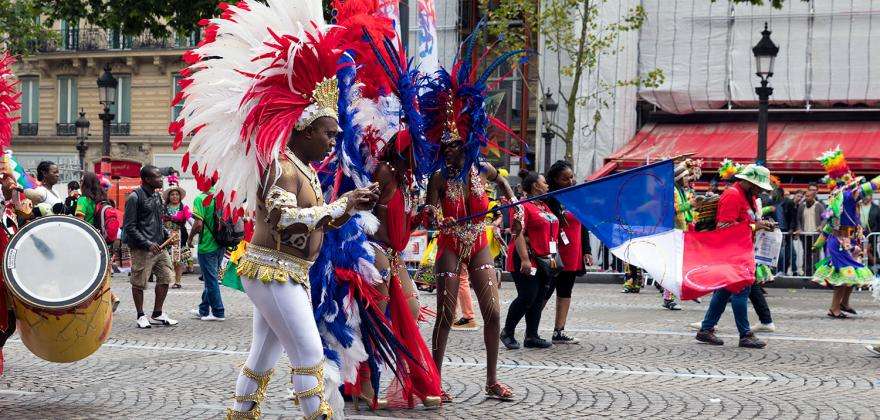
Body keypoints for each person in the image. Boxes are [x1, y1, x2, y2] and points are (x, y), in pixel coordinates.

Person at [170, 2, 380, 417]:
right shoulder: (282, 167)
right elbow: (284, 218)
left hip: (285, 272)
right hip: (274, 271)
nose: (332, 141)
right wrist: (342, 203)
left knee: (262, 358)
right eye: (327, 132)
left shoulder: (302, 166)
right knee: (308, 354)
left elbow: (314, 221)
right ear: (304, 128)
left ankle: (241, 413)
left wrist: (349, 207)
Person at [419, 27, 524, 401]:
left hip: (479, 240)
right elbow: (429, 206)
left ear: (467, 144)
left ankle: (492, 380)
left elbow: (507, 186)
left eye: (454, 146)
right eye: (444, 146)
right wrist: (435, 216)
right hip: (450, 242)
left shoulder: (481, 170)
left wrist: (513, 211)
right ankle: (435, 378)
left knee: (493, 312)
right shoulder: (436, 176)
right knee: (446, 314)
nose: (448, 151)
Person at [695, 164, 775, 349]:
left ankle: (706, 330)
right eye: (760, 186)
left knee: (723, 291)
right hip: (732, 251)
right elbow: (724, 227)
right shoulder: (733, 195)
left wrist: (761, 224)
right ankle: (745, 334)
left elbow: (746, 222)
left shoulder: (750, 197)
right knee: (741, 289)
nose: (762, 190)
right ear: (749, 182)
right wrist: (756, 226)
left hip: (742, 248)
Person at [812, 148, 878, 318]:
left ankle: (844, 303)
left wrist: (819, 242)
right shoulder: (848, 195)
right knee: (844, 275)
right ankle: (834, 308)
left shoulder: (837, 198)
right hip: (841, 242)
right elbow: (872, 186)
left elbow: (828, 226)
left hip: (848, 241)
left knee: (852, 274)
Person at [500, 170, 559, 350]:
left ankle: (532, 335)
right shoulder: (522, 206)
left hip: (544, 259)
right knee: (527, 296)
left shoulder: (543, 205)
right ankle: (507, 332)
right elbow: (517, 233)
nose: (547, 185)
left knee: (539, 297)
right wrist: (525, 259)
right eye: (544, 182)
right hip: (526, 258)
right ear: (535, 185)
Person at [122, 165, 178, 329]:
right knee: (139, 282)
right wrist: (147, 243)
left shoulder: (157, 196)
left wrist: (167, 234)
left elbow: (158, 221)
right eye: (157, 177)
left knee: (166, 277)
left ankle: (158, 313)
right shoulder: (134, 197)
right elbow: (129, 227)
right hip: (142, 248)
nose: (161, 179)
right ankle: (140, 315)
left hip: (159, 246)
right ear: (147, 179)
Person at [544, 160, 590, 344]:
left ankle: (559, 331)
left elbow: (583, 224)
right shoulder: (548, 198)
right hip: (554, 251)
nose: (570, 181)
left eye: (571, 177)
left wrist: (586, 250)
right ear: (555, 179)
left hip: (573, 252)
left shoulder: (577, 196)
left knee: (565, 291)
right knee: (545, 292)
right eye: (565, 179)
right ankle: (532, 330)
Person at [186, 186, 227, 321]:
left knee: (211, 280)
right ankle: (203, 310)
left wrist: (190, 238)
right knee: (211, 278)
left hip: (207, 246)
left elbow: (198, 224)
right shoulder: (221, 196)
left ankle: (218, 312)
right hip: (221, 243)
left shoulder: (201, 198)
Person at [162, 184, 191, 289]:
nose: (174, 196)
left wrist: (197, 231)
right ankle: (166, 279)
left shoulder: (184, 208)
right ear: (169, 197)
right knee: (166, 260)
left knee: (178, 260)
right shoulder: (163, 208)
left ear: (180, 196)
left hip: (179, 237)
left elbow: (190, 220)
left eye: (176, 194)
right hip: (166, 237)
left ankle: (177, 281)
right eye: (172, 195)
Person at [798, 183, 825, 274]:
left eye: (808, 196)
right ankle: (807, 272)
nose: (806, 198)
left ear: (813, 197)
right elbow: (798, 219)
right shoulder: (802, 206)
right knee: (806, 254)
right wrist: (799, 228)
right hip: (805, 235)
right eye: (806, 196)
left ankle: (816, 272)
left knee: (816, 254)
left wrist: (821, 226)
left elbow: (825, 218)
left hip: (816, 235)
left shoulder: (819, 206)